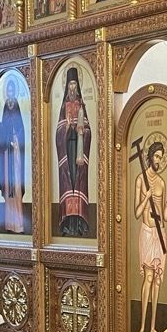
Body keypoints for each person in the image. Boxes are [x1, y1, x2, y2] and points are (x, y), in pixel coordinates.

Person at [135, 138, 167, 332]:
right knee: (148, 278)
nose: (158, 160)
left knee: (157, 280)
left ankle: (152, 327)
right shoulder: (140, 180)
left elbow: (165, 216)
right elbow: (137, 212)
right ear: (150, 156)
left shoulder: (161, 182)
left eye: (161, 157)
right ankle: (141, 327)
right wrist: (146, 197)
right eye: (156, 156)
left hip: (160, 233)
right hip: (147, 232)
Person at [55, 66, 93, 238]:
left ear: (77, 86)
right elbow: (58, 132)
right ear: (67, 87)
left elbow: (88, 131)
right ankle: (66, 225)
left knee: (78, 183)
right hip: (67, 150)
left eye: (74, 84)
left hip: (79, 150)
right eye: (69, 84)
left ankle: (79, 225)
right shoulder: (64, 106)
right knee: (67, 184)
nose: (72, 87)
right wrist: (68, 126)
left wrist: (82, 131)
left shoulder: (81, 105)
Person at [0, 76, 28, 234]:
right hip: (7, 154)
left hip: (15, 153)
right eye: (8, 91)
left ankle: (19, 224)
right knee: (8, 186)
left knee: (15, 186)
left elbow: (21, 129)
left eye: (11, 91)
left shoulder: (16, 107)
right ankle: (9, 224)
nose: (9, 94)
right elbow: (3, 132)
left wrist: (16, 140)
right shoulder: (5, 108)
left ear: (14, 92)